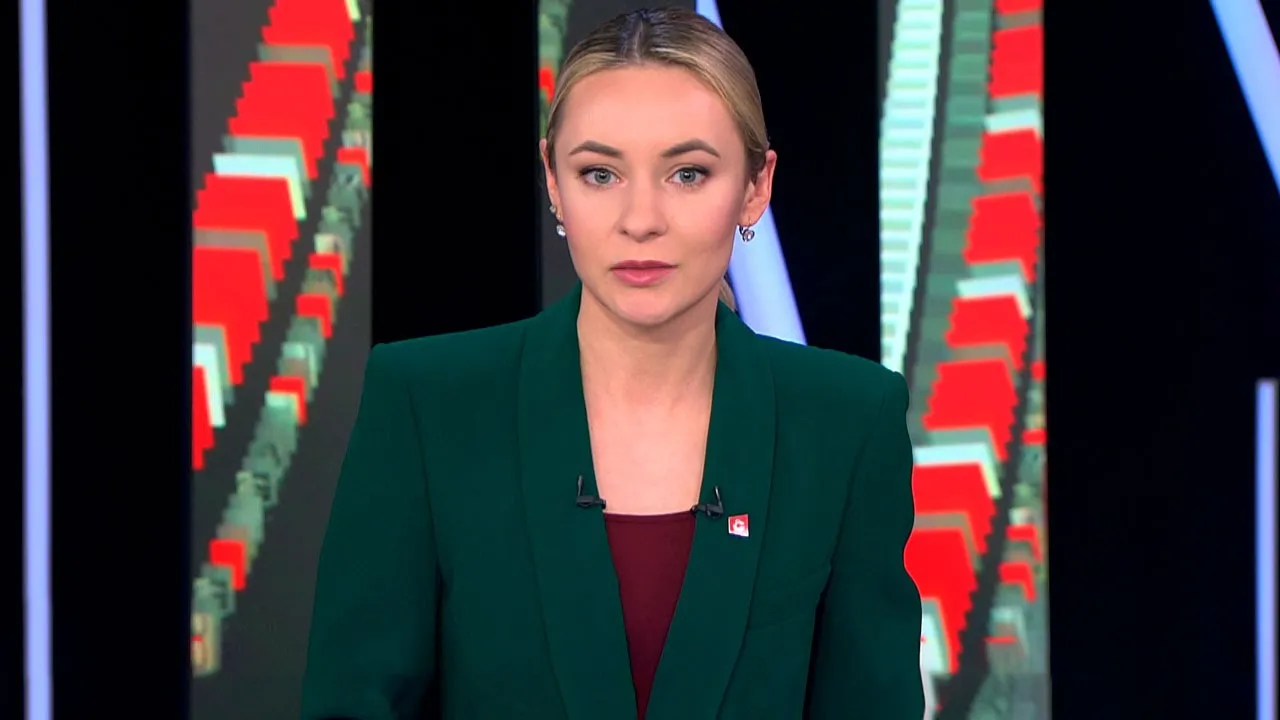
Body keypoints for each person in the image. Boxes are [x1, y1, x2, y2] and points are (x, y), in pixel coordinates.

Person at [301, 7, 923, 720]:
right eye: (600, 173)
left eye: (688, 173)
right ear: (553, 181)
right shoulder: (427, 403)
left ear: (755, 186)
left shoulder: (848, 421)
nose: (640, 219)